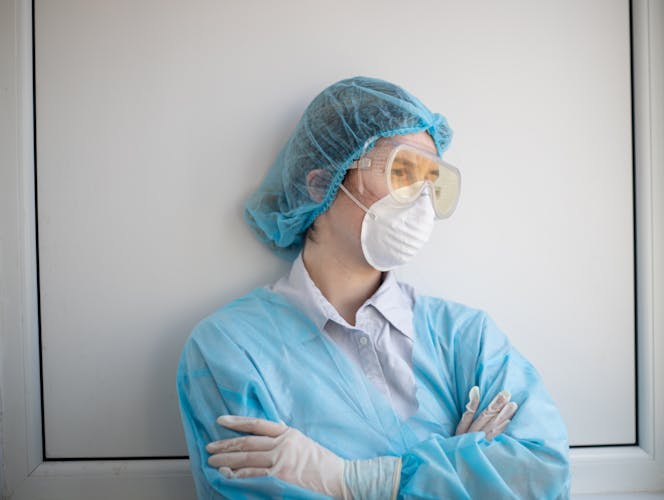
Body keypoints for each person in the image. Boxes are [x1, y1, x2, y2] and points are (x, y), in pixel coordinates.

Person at [176, 76, 570, 499]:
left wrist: (352, 481)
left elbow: (542, 476)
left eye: (433, 181)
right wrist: (461, 466)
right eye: (402, 172)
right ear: (320, 184)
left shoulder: (467, 338)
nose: (422, 199)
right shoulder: (231, 350)